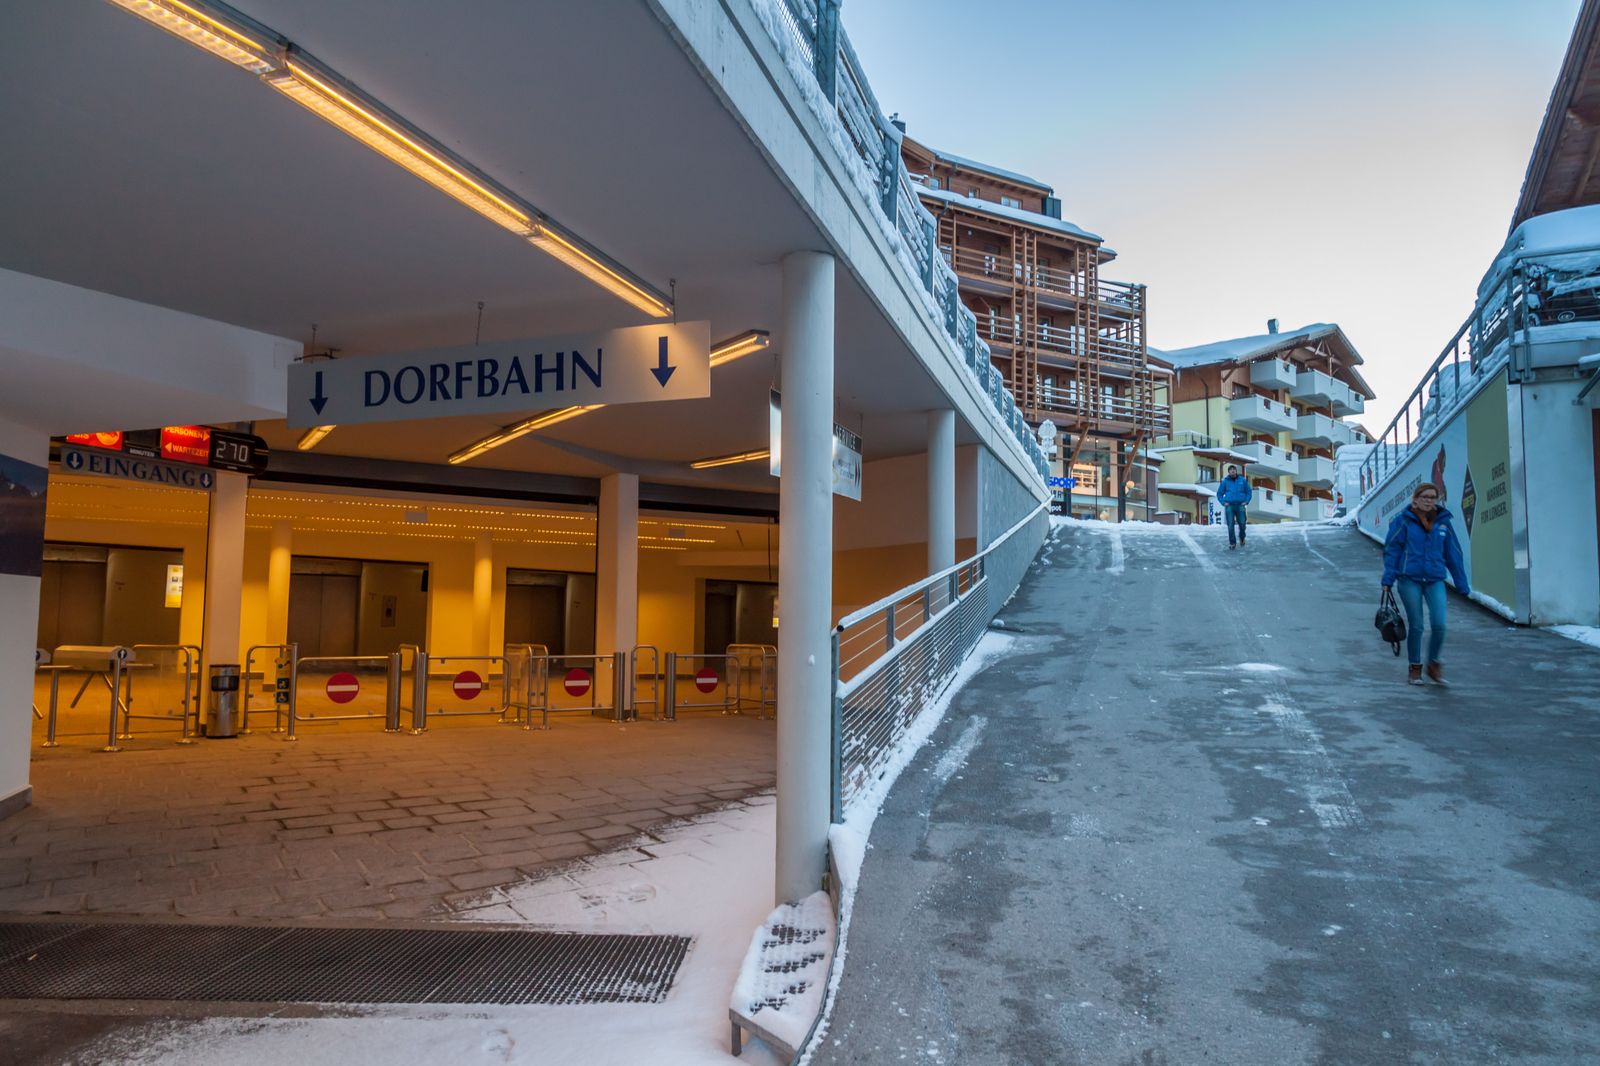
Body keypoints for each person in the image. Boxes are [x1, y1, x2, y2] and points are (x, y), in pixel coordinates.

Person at [1381, 482, 1471, 685]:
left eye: (1433, 497)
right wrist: (1388, 579)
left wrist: (1461, 584)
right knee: (1418, 626)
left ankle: (1434, 664)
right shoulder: (1403, 522)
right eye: (1425, 497)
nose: (1429, 500)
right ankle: (1415, 668)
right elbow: (1392, 551)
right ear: (1415, 499)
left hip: (1435, 579)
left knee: (1440, 624)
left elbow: (1453, 554)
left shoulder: (1443, 523)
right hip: (1409, 579)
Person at [1215, 464, 1252, 548]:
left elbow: (1249, 491)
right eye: (1230, 470)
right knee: (1230, 525)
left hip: (1240, 505)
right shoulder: (1225, 481)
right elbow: (1219, 493)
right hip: (1229, 506)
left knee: (1242, 524)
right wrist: (1223, 502)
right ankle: (1232, 543)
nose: (1232, 471)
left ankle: (1242, 537)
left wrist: (1246, 501)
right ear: (1228, 472)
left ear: (1236, 471)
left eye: (1234, 469)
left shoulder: (1242, 480)